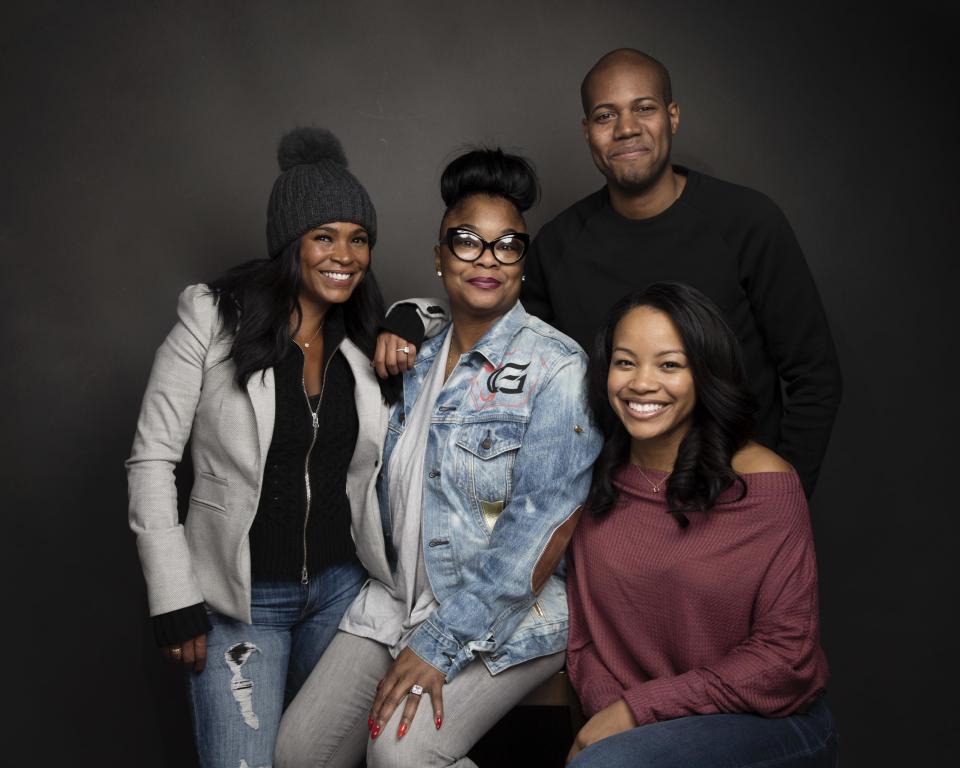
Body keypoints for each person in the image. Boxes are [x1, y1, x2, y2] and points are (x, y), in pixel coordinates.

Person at [274, 148, 602, 768]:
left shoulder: (557, 368)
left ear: (523, 263)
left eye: (508, 246)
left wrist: (441, 642)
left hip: (507, 608)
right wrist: (408, 318)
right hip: (396, 597)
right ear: (439, 255)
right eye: (467, 242)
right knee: (298, 754)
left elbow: (539, 532)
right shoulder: (410, 355)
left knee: (400, 755)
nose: (487, 260)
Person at [126, 127, 442, 768]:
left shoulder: (361, 340)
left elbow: (454, 307)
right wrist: (172, 595)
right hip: (241, 603)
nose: (345, 255)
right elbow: (152, 458)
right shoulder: (212, 320)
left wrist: (409, 315)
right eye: (324, 236)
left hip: (342, 597)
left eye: (359, 239)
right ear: (288, 243)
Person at [564, 282, 838, 767]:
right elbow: (583, 638)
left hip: (765, 721)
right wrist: (612, 716)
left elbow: (785, 655)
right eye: (625, 362)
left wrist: (634, 713)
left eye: (669, 365)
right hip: (647, 726)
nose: (641, 383)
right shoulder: (596, 480)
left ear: (705, 374)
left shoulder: (764, 486)